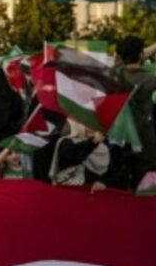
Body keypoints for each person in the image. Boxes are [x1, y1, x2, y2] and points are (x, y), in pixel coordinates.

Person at [114, 36, 156, 186]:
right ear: (140, 55)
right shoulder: (150, 79)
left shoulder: (115, 73)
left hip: (119, 133)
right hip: (144, 135)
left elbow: (132, 55)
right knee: (146, 180)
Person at [49, 119, 115, 193]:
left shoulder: (103, 148)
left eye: (95, 126)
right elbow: (73, 158)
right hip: (69, 194)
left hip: (92, 197)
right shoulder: (66, 142)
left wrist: (103, 183)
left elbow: (112, 175)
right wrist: (92, 142)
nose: (90, 128)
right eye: (86, 124)